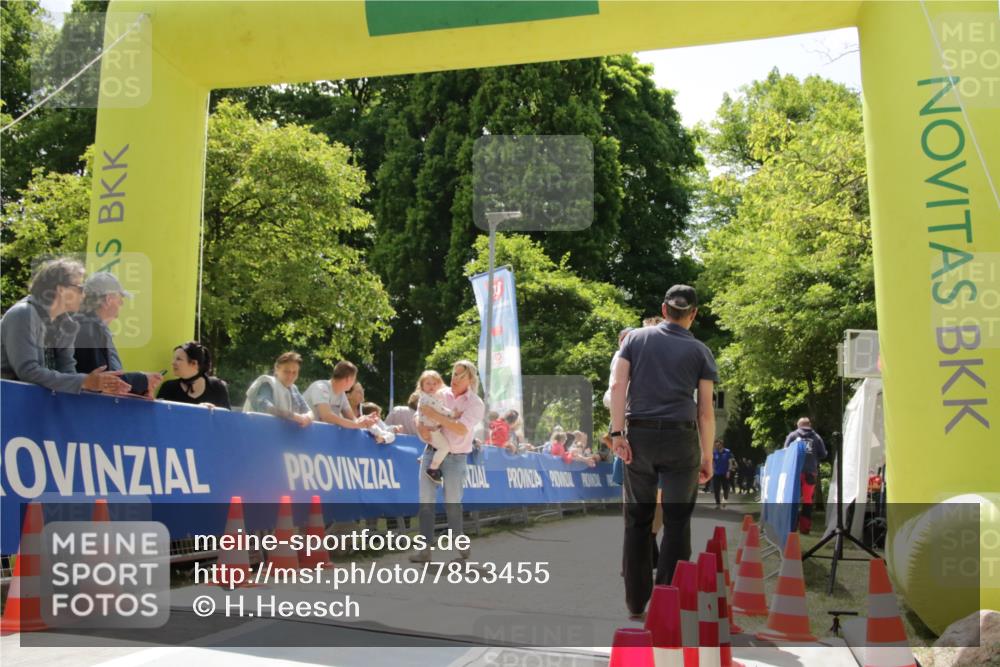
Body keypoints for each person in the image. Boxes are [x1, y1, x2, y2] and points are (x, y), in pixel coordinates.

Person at [609, 284, 718, 620]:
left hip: (638, 436)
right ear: (694, 314)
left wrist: (617, 434)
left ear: (664, 307)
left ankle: (635, 600)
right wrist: (707, 456)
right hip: (680, 440)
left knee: (638, 519)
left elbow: (617, 386)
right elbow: (705, 411)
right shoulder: (701, 351)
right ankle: (668, 599)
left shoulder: (635, 339)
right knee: (677, 520)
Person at [1, 258, 130, 395]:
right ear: (61, 289)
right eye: (80, 288)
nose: (84, 294)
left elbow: (67, 372)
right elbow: (28, 371)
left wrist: (96, 385)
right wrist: (85, 382)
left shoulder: (68, 324)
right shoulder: (23, 313)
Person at [409, 360, 485, 563]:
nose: (454, 378)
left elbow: (460, 429)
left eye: (460, 375)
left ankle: (459, 539)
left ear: (470, 379)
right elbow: (419, 412)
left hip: (456, 457)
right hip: (431, 452)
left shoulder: (475, 404)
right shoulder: (439, 393)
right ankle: (424, 549)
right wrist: (420, 426)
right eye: (453, 373)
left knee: (452, 503)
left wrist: (434, 416)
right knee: (425, 502)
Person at [73, 272, 163, 398]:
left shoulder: (90, 327)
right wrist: (142, 380)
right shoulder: (88, 329)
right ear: (108, 300)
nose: (122, 304)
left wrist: (141, 388)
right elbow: (101, 382)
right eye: (120, 299)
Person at [243, 351, 312, 427]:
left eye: (294, 372)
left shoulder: (294, 389)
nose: (290, 376)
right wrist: (293, 416)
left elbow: (308, 411)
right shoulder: (267, 383)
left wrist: (308, 417)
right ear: (277, 369)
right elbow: (265, 406)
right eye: (286, 371)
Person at [784, 417, 828, 534]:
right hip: (810, 473)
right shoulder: (817, 437)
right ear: (810, 425)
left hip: (794, 472)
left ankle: (791, 527)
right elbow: (823, 454)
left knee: (793, 499)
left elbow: (785, 452)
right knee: (807, 501)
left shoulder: (792, 436)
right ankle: (805, 528)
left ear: (799, 425)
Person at [302, 360, 376, 429]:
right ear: (348, 379)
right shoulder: (320, 387)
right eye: (354, 379)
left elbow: (352, 419)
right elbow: (327, 416)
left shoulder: (342, 394)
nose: (354, 383)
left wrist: (364, 420)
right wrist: (356, 425)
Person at [157, 341, 231, 408]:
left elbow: (227, 420)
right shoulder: (168, 388)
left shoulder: (217, 387)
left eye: (178, 359)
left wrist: (214, 412)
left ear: (194, 363)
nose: (173, 363)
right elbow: (157, 417)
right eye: (174, 359)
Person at [415, 370, 454, 484]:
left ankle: (425, 458)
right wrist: (453, 414)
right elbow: (441, 410)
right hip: (430, 430)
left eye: (434, 383)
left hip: (433, 429)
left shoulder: (432, 396)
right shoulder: (428, 398)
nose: (432, 386)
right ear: (421, 386)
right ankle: (433, 469)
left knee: (440, 445)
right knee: (445, 447)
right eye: (428, 383)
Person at [711, 439, 734, 509]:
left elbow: (730, 462)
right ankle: (718, 504)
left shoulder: (727, 452)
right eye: (715, 445)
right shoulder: (714, 453)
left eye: (718, 445)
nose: (716, 446)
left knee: (726, 489)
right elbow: (712, 462)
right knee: (716, 489)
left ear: (721, 445)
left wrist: (729, 471)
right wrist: (712, 470)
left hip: (725, 473)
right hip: (716, 474)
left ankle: (724, 500)